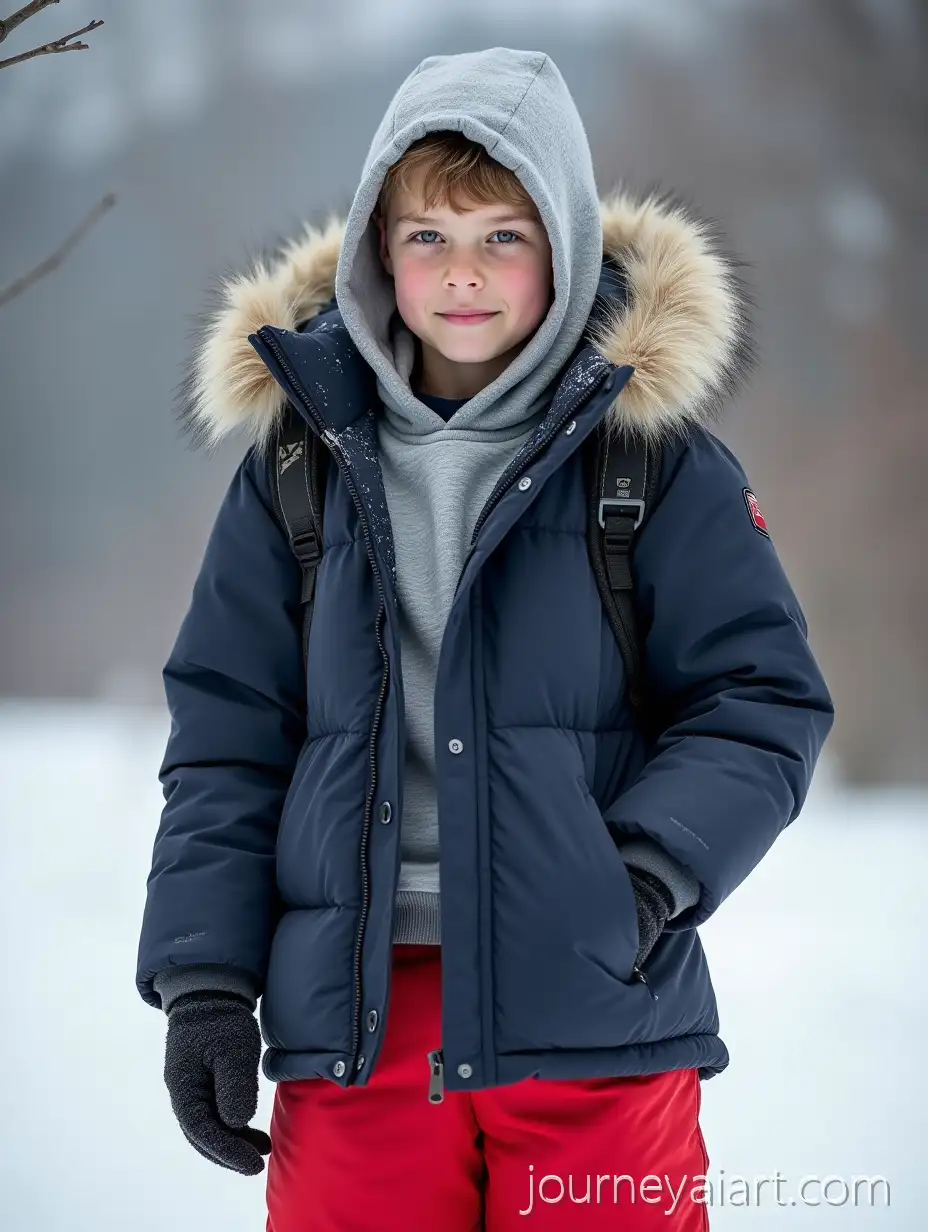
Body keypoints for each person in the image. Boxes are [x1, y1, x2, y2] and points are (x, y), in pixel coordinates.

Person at [136, 47, 834, 1230]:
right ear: (378, 249)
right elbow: (226, 739)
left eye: (501, 237)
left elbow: (758, 698)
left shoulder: (649, 458)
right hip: (355, 1025)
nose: (461, 274)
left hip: (590, 1008)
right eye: (428, 237)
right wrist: (205, 977)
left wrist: (638, 880)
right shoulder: (297, 465)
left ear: (563, 245)